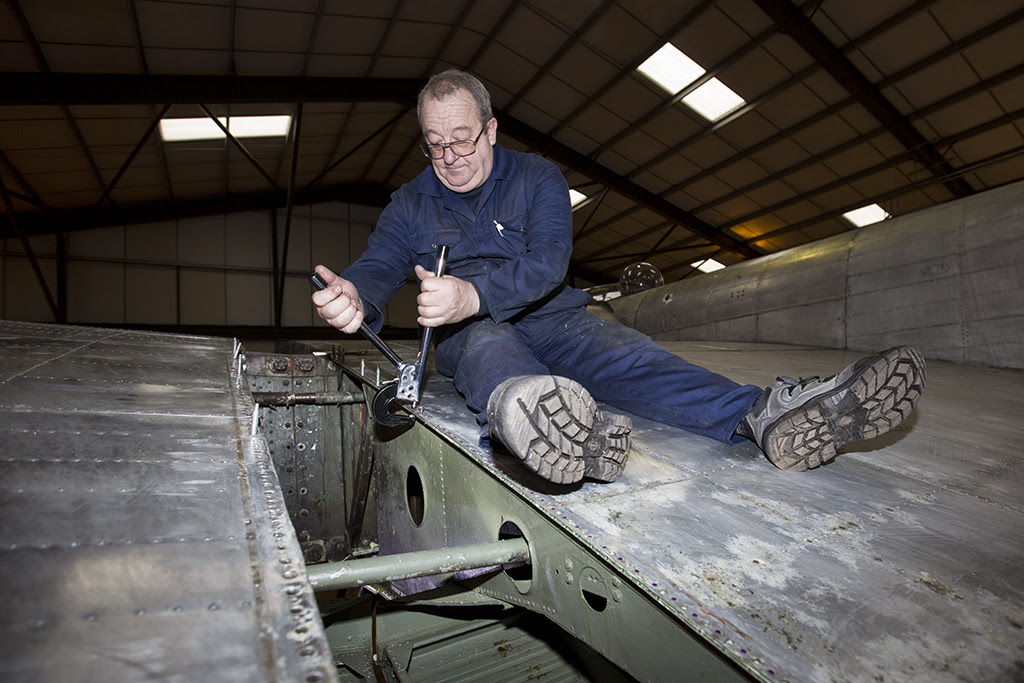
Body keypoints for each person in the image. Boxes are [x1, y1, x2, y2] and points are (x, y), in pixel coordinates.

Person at [312, 69, 926, 485]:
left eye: (463, 139)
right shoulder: (410, 202)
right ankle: (534, 417)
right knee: (488, 350)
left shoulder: (539, 178)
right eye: (435, 143)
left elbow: (549, 261)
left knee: (635, 359)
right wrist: (354, 295)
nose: (449, 157)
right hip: (470, 330)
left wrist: (474, 290)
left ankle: (762, 416)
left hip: (558, 318)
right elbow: (379, 263)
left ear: (491, 130)